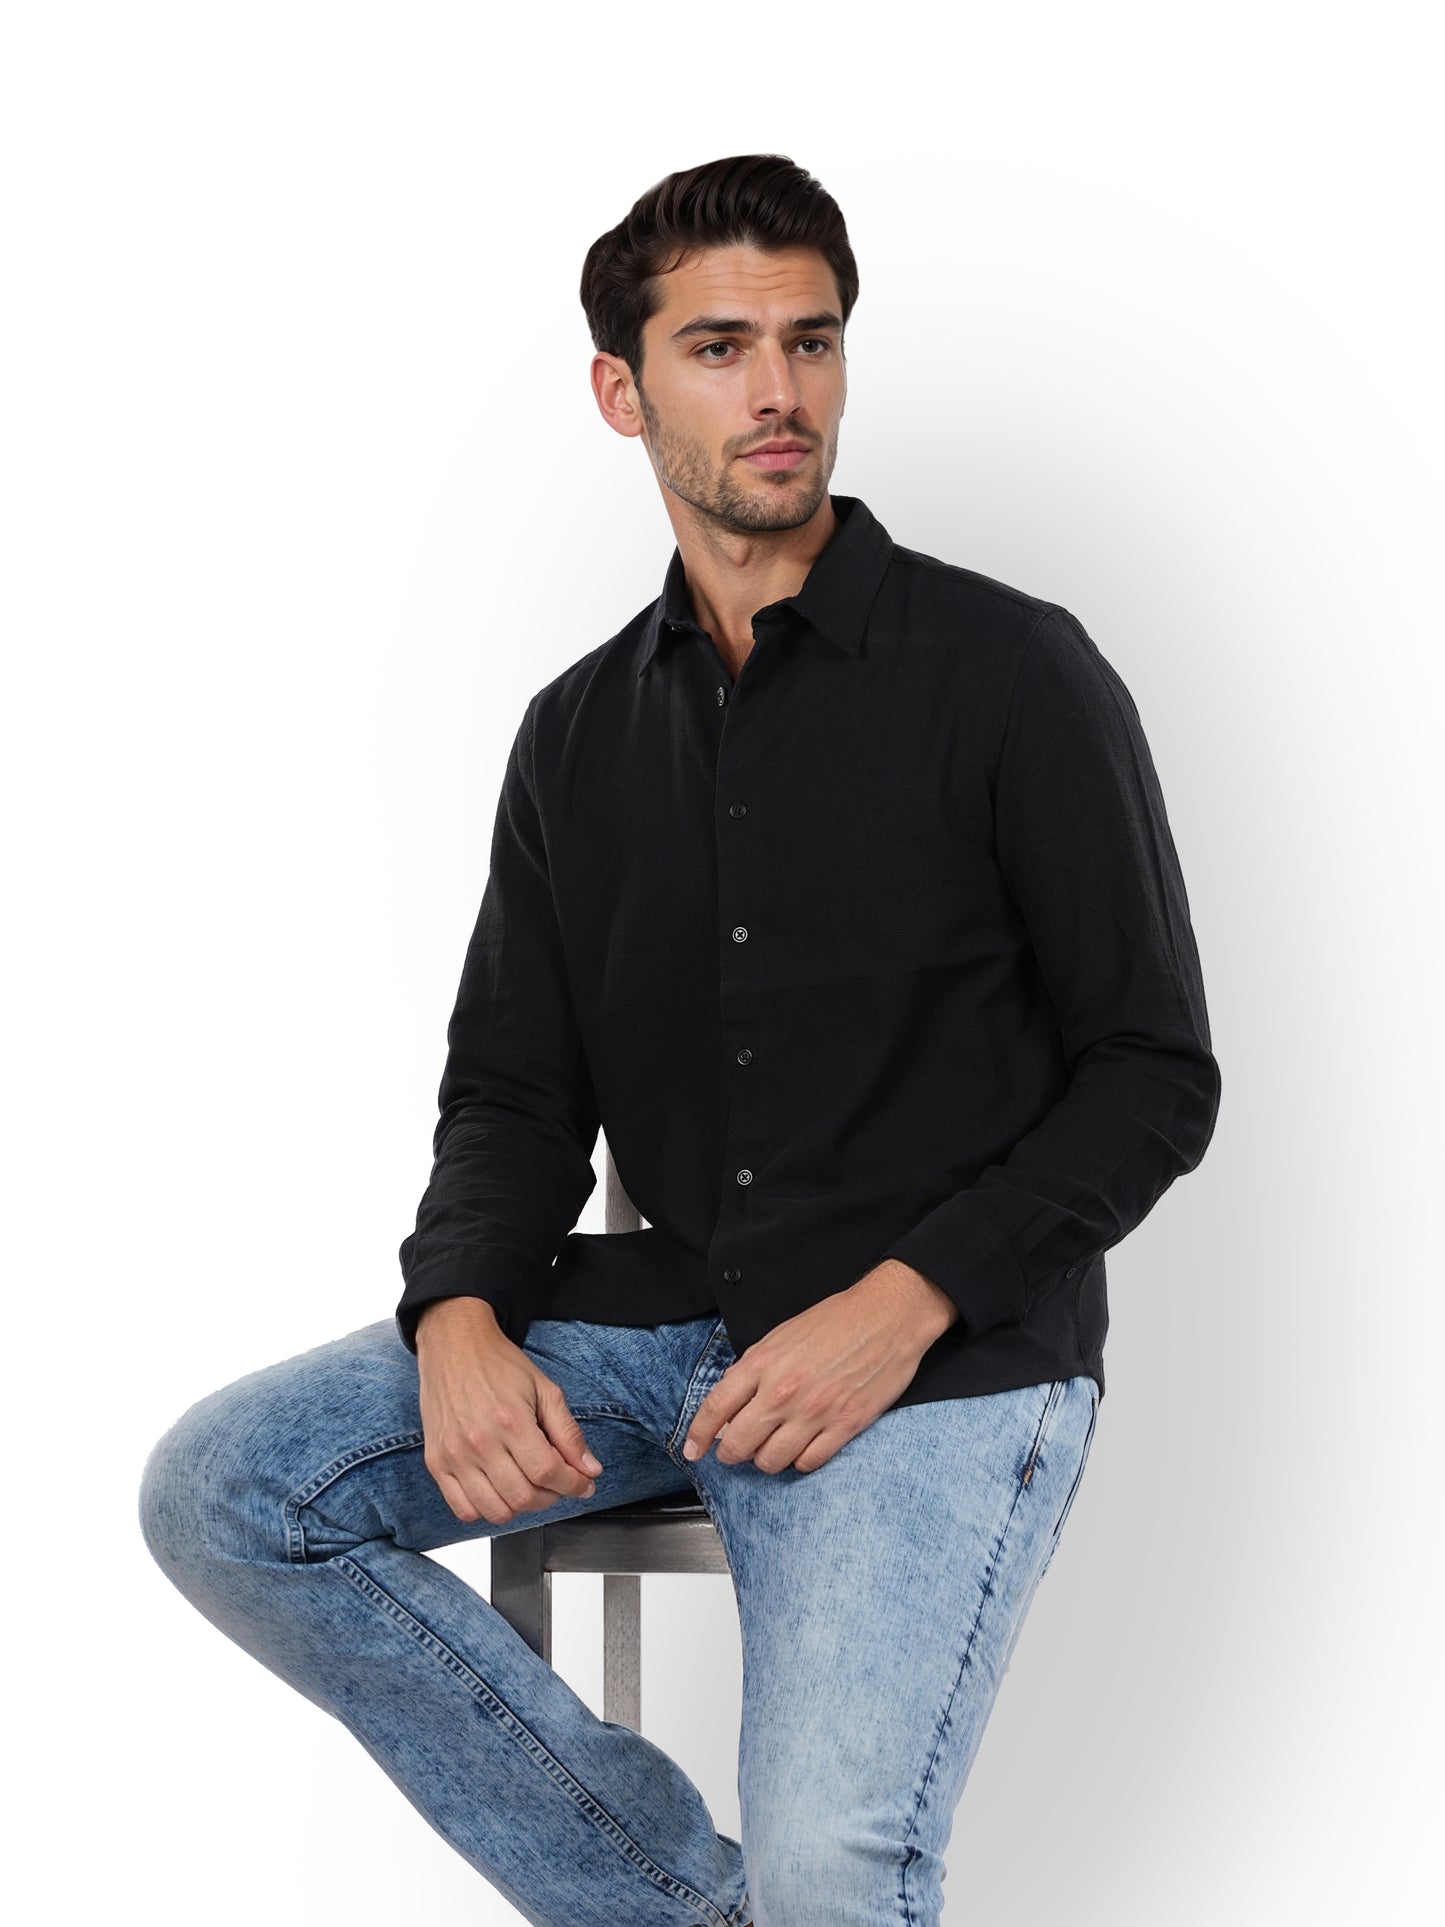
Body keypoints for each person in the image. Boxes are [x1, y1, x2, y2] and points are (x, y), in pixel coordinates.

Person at [139, 153, 1221, 1927]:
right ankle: (680, 1906)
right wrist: (459, 1315)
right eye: (719, 348)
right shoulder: (575, 733)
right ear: (621, 391)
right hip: (665, 1329)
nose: (778, 390)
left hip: (939, 1358)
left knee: (830, 1877)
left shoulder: (1013, 672)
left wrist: (899, 1305)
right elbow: (514, 1090)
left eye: (810, 341)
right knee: (227, 1492)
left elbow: (1152, 1076)